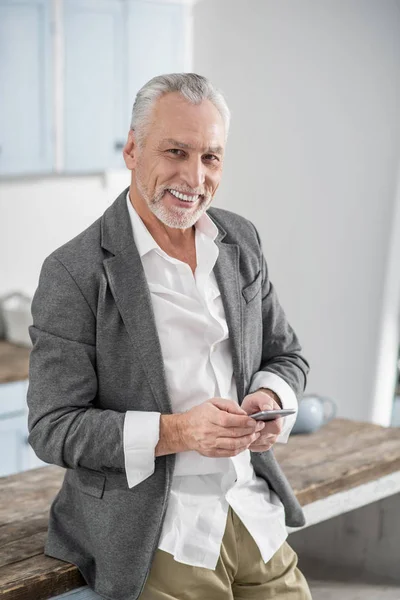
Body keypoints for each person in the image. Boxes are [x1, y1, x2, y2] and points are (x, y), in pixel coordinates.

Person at [27, 73, 312, 600]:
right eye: (176, 151)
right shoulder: (75, 271)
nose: (194, 177)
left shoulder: (240, 240)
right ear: (133, 150)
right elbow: (53, 427)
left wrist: (270, 398)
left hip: (252, 507)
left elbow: (285, 353)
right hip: (156, 527)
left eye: (211, 157)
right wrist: (180, 432)